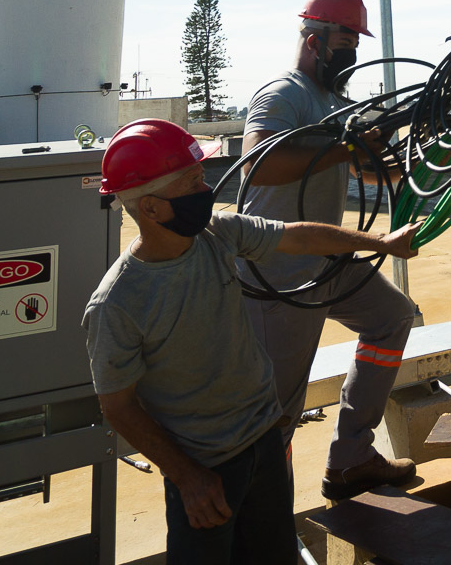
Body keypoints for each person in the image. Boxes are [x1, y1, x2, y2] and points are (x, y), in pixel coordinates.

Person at [84, 118, 418, 564]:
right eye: (192, 182)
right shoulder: (117, 303)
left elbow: (297, 236)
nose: (206, 189)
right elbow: (117, 406)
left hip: (264, 442)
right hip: (204, 469)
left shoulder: (216, 235)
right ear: (150, 208)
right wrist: (187, 477)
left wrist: (380, 242)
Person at [237, 0, 423, 502]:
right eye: (345, 43)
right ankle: (268, 522)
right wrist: (344, 148)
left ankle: (351, 458)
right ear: (314, 41)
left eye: (356, 45)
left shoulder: (335, 103)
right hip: (277, 269)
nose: (352, 55)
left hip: (324, 258)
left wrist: (411, 164)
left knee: (392, 316)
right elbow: (257, 164)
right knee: (278, 409)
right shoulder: (284, 93)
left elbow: (359, 165)